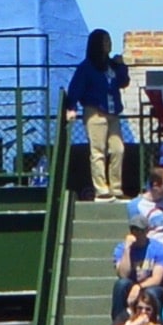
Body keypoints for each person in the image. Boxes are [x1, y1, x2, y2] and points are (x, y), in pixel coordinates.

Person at [62, 31, 129, 200]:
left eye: (109, 40)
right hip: (95, 113)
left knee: (118, 149)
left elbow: (123, 82)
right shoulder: (87, 66)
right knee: (98, 151)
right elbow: (76, 87)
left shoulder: (111, 65)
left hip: (113, 113)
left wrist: (121, 65)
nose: (108, 44)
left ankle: (116, 187)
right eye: (105, 41)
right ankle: (101, 189)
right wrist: (71, 106)